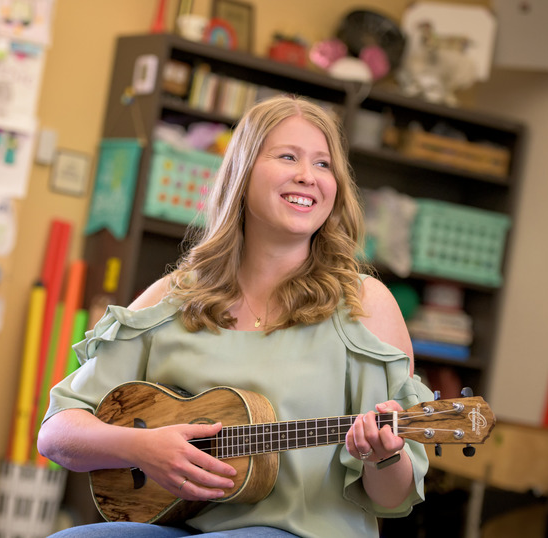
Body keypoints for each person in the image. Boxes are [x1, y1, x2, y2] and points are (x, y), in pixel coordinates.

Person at [38, 95, 434, 537]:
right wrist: (142, 447)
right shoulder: (172, 298)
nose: (308, 176)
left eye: (324, 165)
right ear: (242, 175)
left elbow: (393, 498)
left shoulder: (365, 306)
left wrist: (383, 455)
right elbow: (57, 433)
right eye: (288, 157)